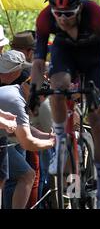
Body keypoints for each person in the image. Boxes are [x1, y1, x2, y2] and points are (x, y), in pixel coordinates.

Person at [30, 0, 100, 208]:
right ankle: (61, 141)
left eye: (68, 13)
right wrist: (34, 91)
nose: (62, 18)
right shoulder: (44, 19)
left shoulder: (95, 14)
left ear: (79, 8)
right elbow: (38, 64)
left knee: (98, 120)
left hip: (95, 58)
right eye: (58, 13)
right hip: (65, 52)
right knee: (58, 86)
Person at [0, 51, 54, 209]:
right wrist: (50, 143)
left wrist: (46, 136)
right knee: (27, 175)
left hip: (2, 141)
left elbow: (25, 128)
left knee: (5, 180)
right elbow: (27, 142)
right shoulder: (16, 101)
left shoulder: (15, 92)